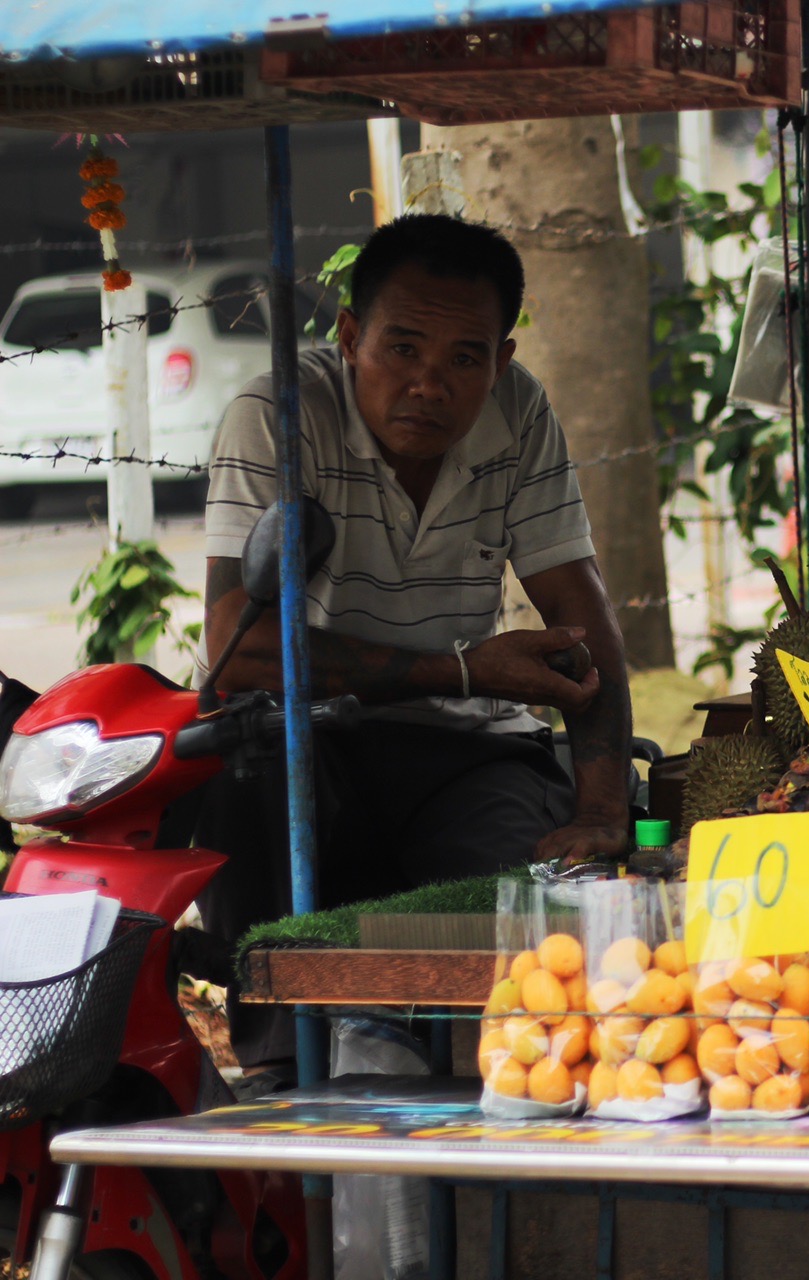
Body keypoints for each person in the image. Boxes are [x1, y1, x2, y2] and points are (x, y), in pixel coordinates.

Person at [194, 214, 632, 1063]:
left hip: (461, 751)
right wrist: (464, 669)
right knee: (242, 787)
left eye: (464, 358)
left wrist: (604, 808)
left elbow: (585, 621)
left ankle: (481, 1083)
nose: (430, 385)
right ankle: (289, 1073)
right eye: (403, 349)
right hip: (305, 739)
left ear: (499, 362)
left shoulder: (519, 412)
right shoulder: (276, 415)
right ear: (352, 337)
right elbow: (233, 650)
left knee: (522, 911)